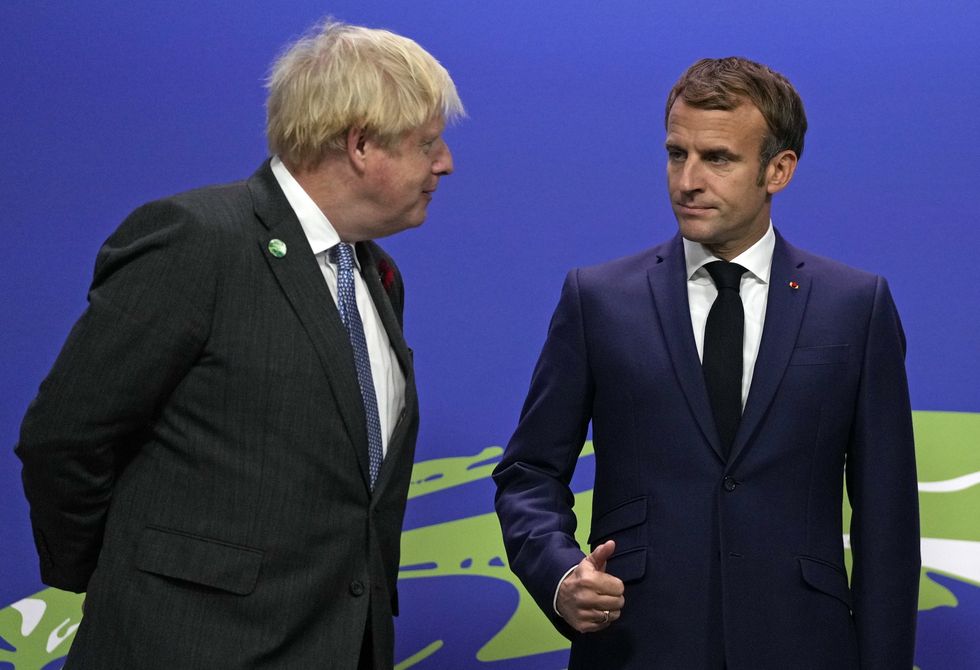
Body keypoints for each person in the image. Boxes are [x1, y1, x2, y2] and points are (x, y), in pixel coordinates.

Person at [16, 18, 463, 669]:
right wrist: (124, 579)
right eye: (429, 143)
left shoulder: (376, 275)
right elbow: (66, 435)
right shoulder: (196, 241)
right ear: (361, 144)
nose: (445, 162)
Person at [494, 57, 919, 669]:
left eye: (717, 158)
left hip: (804, 647)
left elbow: (888, 522)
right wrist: (561, 578)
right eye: (675, 154)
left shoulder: (856, 307)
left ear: (779, 169)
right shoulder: (599, 300)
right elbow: (529, 471)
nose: (687, 180)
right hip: (637, 644)